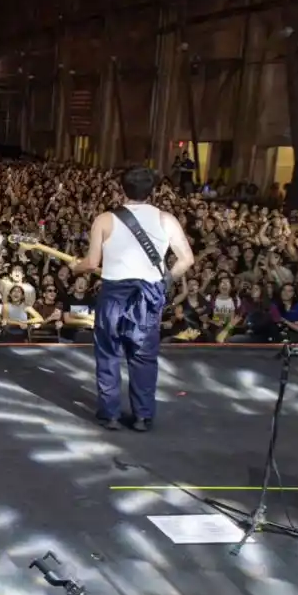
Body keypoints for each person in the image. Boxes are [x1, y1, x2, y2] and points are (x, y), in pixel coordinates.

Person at [73, 166, 194, 431]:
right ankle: (142, 416)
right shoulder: (167, 220)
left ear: (121, 188)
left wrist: (76, 267)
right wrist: (166, 280)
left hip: (113, 294)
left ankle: (110, 415)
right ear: (153, 191)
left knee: (108, 355)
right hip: (148, 296)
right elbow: (187, 259)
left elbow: (92, 262)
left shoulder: (104, 219)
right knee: (143, 357)